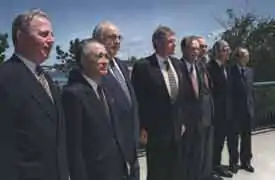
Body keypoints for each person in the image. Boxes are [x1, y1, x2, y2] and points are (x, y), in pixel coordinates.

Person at [0, 9, 68, 180]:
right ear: (20, 36)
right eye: (44, 34)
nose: (51, 40)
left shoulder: (47, 79)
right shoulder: (5, 78)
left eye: (52, 34)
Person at [63, 38, 131, 180]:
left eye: (106, 56)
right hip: (94, 173)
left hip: (117, 170)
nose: (105, 61)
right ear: (83, 60)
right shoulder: (73, 95)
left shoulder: (106, 89)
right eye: (99, 56)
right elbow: (74, 147)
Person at [131, 26, 185, 180]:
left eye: (175, 41)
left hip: (176, 129)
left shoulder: (177, 64)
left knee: (175, 169)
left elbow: (179, 97)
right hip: (155, 131)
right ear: (157, 43)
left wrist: (181, 121)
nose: (174, 45)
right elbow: (138, 99)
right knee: (157, 171)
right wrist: (141, 127)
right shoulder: (144, 66)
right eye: (170, 42)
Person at [92, 21, 140, 180]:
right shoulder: (91, 69)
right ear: (98, 40)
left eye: (119, 37)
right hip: (110, 150)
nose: (117, 41)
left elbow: (130, 101)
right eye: (112, 37)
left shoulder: (121, 65)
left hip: (131, 144)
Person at [196, 36, 223, 180]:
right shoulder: (188, 66)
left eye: (206, 46)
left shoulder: (204, 66)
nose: (204, 49)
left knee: (207, 148)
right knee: (198, 151)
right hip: (197, 117)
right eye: (201, 46)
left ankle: (207, 174)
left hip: (208, 114)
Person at [207, 40, 235, 178]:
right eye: (225, 49)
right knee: (213, 142)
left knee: (220, 142)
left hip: (227, 112)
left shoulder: (227, 68)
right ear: (217, 52)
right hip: (214, 113)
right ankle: (210, 169)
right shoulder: (209, 69)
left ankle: (217, 166)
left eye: (228, 49)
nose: (228, 52)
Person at [231, 47, 255, 173]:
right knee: (234, 138)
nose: (248, 57)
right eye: (245, 55)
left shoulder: (250, 72)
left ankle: (246, 161)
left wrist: (252, 107)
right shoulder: (231, 72)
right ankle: (234, 163)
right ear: (239, 57)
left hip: (247, 109)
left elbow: (251, 91)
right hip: (236, 111)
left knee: (247, 138)